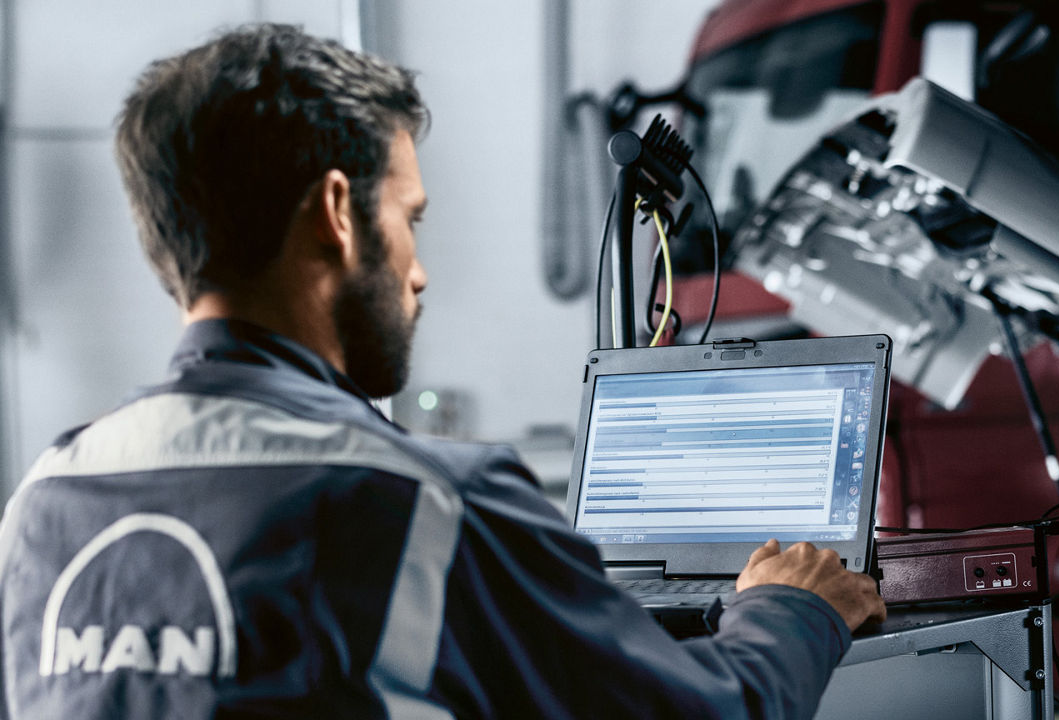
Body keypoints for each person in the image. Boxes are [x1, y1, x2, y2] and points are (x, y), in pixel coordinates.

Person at [0, 24, 885, 719]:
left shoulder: (46, 502)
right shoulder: (416, 502)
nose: (417, 271)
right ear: (339, 214)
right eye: (409, 220)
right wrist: (791, 607)